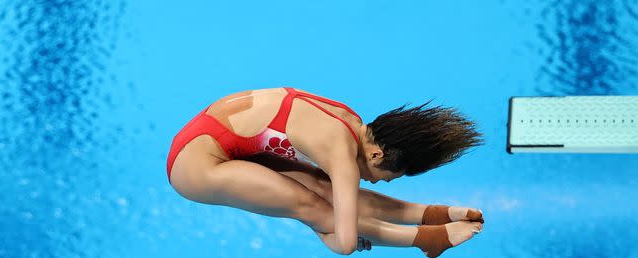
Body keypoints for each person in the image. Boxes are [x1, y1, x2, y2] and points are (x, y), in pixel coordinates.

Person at [167, 88, 486, 256]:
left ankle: (432, 215)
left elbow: (345, 210)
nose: (379, 181)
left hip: (219, 140)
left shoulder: (350, 121)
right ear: (377, 154)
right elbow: (346, 244)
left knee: (326, 193)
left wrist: (332, 232)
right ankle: (427, 240)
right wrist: (328, 235)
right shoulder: (341, 153)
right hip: (194, 166)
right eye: (389, 177)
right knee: (312, 206)